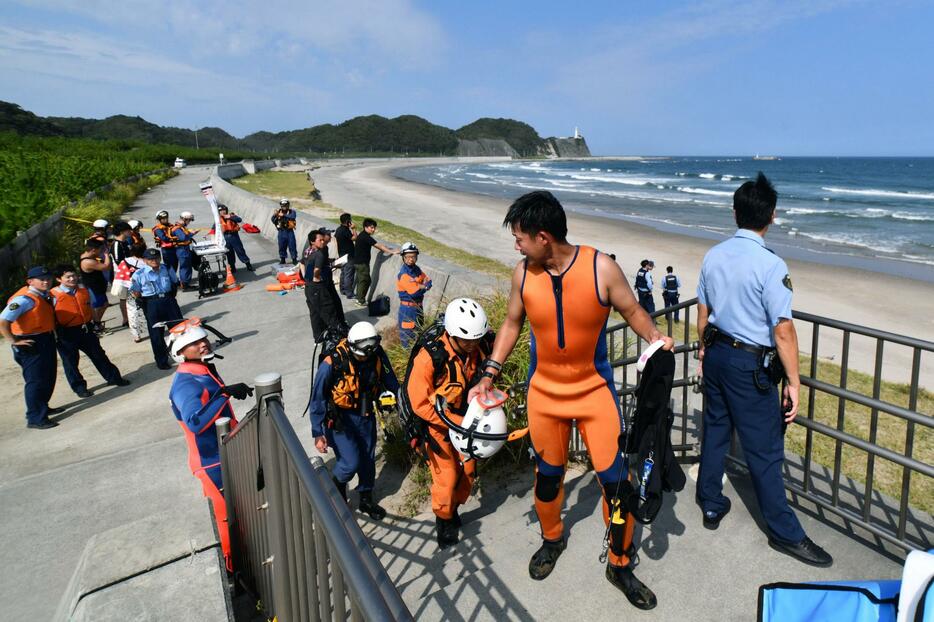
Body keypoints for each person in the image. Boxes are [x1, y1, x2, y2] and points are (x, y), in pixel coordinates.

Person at [468, 190, 673, 610]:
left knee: (617, 485)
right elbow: (511, 323)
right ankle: (552, 540)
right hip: (544, 395)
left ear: (544, 237)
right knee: (548, 478)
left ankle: (619, 563)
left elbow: (632, 310)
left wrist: (655, 338)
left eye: (521, 237)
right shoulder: (523, 275)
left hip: (594, 393)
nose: (516, 245)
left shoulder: (601, 268)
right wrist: (489, 373)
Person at [696, 173, 832, 568]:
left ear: (735, 213)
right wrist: (794, 381)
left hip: (718, 354)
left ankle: (709, 501)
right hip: (749, 363)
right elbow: (783, 330)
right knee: (765, 449)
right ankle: (785, 533)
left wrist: (706, 353)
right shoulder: (772, 265)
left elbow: (703, 316)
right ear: (771, 216)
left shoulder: (714, 255)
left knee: (717, 430)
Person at [405, 298, 492, 547]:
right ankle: (443, 521)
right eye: (467, 341)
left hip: (466, 422)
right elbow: (420, 404)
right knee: (447, 476)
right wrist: (455, 422)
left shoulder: (478, 347)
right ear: (452, 334)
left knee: (467, 472)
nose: (473, 345)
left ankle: (454, 508)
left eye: (476, 339)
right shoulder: (430, 358)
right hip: (438, 426)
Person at [168, 317, 252, 571]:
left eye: (203, 339)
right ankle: (234, 572)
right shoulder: (186, 383)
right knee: (228, 520)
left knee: (241, 514)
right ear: (180, 352)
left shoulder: (202, 370)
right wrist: (224, 394)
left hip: (224, 455)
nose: (203, 344)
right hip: (211, 463)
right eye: (194, 343)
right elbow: (195, 421)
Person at [310, 321, 399, 519]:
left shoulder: (376, 354)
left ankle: (366, 499)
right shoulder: (332, 364)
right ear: (352, 347)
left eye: (370, 352)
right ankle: (337, 487)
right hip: (341, 420)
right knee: (350, 462)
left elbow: (389, 379)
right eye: (362, 354)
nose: (366, 357)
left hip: (365, 414)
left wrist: (397, 397)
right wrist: (318, 432)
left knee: (367, 459)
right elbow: (317, 398)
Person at [50, 265, 130, 398]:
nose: (72, 278)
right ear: (59, 279)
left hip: (86, 328)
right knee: (71, 362)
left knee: (99, 355)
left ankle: (114, 378)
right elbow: (50, 316)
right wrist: (55, 334)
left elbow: (90, 308)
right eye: (68, 277)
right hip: (66, 333)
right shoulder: (52, 295)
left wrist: (96, 322)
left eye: (73, 275)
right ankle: (80, 388)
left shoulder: (82, 289)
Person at [0, 266, 61, 429]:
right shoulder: (23, 300)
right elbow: (3, 322)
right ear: (30, 281)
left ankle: (43, 406)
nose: (46, 281)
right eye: (41, 279)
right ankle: (35, 418)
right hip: (30, 343)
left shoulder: (43, 295)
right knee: (35, 380)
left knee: (48, 376)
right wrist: (14, 341)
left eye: (48, 278)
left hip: (45, 338)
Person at [129, 248, 182, 370]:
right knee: (156, 334)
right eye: (151, 259)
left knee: (178, 329)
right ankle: (162, 360)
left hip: (169, 301)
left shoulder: (167, 268)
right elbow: (136, 291)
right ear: (145, 260)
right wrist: (145, 303)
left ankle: (182, 353)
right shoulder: (139, 274)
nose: (155, 261)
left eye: (157, 258)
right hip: (151, 303)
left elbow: (175, 282)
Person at [302, 228, 347, 343]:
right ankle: (340, 338)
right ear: (313, 241)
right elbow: (317, 269)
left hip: (309, 288)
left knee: (315, 314)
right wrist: (316, 276)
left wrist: (307, 278)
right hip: (319, 287)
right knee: (330, 312)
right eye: (322, 239)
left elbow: (302, 264)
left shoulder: (308, 251)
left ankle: (318, 338)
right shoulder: (319, 253)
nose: (325, 240)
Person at [353, 218, 398, 307]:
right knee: (364, 281)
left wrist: (385, 248)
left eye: (374, 228)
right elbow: (379, 246)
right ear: (365, 227)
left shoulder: (362, 235)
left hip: (359, 262)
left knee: (364, 281)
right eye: (371, 227)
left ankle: (359, 298)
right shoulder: (366, 237)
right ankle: (360, 301)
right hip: (362, 264)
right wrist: (391, 252)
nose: (373, 230)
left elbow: (378, 245)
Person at [396, 242, 432, 348]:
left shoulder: (417, 269)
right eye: (408, 257)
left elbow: (429, 281)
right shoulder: (403, 274)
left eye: (414, 256)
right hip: (408, 310)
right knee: (408, 339)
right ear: (403, 257)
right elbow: (415, 292)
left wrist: (421, 285)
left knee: (420, 334)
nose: (411, 259)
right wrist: (424, 286)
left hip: (419, 308)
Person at [112, 242, 149, 342]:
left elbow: (120, 277)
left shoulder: (125, 262)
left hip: (131, 291)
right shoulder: (148, 262)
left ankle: (136, 335)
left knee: (132, 312)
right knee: (149, 310)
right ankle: (153, 329)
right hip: (147, 290)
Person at [79, 238, 112, 331]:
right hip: (93, 287)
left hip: (97, 286)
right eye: (100, 250)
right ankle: (96, 325)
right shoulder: (88, 261)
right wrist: (106, 255)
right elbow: (107, 267)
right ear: (93, 250)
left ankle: (97, 323)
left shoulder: (86, 256)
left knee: (104, 304)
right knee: (98, 306)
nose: (101, 252)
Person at [217, 205, 253, 272]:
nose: (223, 211)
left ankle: (248, 264)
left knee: (240, 250)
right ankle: (232, 267)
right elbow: (214, 228)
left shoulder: (231, 215)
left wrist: (230, 217)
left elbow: (239, 219)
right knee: (229, 253)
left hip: (234, 236)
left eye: (224, 210)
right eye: (221, 210)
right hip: (225, 237)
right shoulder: (218, 219)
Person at [111, 222, 133, 327]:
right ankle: (126, 319)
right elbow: (117, 261)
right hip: (121, 275)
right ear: (122, 232)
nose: (130, 232)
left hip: (130, 273)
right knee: (123, 297)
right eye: (128, 230)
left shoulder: (125, 242)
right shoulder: (116, 244)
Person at [171, 211, 196, 289]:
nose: (189, 222)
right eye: (189, 220)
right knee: (185, 266)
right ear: (185, 219)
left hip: (184, 249)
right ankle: (185, 284)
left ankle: (186, 282)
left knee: (187, 266)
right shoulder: (177, 228)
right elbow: (183, 238)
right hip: (182, 250)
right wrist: (192, 233)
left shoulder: (181, 227)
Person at [335, 212, 357, 298]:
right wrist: (354, 229)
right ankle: (349, 293)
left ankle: (342, 290)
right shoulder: (345, 230)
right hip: (349, 256)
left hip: (341, 254)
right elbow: (355, 238)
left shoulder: (339, 229)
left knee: (343, 273)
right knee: (349, 274)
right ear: (348, 221)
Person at [272, 198, 298, 265]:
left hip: (289, 232)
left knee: (292, 246)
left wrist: (284, 215)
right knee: (282, 246)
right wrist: (275, 214)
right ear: (281, 205)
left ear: (288, 205)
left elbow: (293, 217)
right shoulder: (278, 212)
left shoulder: (292, 212)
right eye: (283, 205)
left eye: (286, 205)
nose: (284, 206)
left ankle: (294, 259)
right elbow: (272, 220)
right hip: (281, 232)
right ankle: (282, 259)